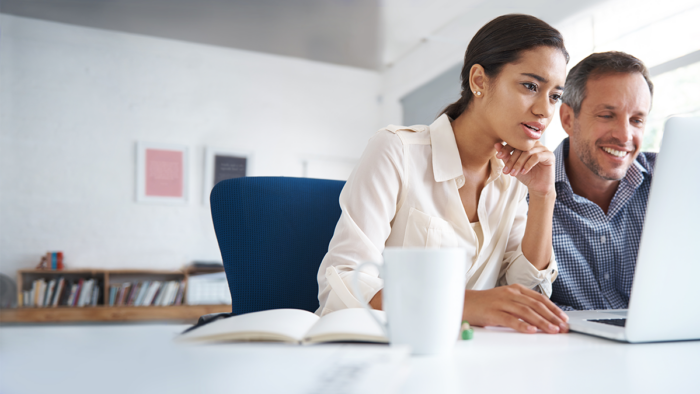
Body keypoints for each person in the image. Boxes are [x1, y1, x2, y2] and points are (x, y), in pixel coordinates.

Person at [316, 14, 571, 334]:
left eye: (555, 95)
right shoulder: (397, 151)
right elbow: (341, 287)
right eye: (530, 86)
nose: (545, 110)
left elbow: (525, 297)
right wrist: (464, 304)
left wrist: (544, 196)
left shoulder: (512, 180)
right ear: (479, 81)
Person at [550, 52, 655, 310]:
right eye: (607, 115)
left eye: (637, 120)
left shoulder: (670, 182)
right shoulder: (522, 196)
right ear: (568, 119)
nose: (624, 135)